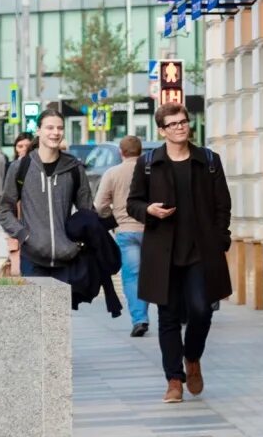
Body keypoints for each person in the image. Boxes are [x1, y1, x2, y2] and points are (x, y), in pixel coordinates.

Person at [127, 104, 231, 402]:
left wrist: (221, 238)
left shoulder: (209, 161)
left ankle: (193, 357)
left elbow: (223, 204)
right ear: (162, 130)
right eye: (172, 124)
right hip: (163, 253)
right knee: (168, 316)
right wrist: (148, 210)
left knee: (201, 309)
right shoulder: (149, 163)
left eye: (183, 122)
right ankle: (174, 379)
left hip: (201, 252)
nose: (180, 128)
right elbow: (133, 203)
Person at [0, 109, 93, 282]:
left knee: (61, 309)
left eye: (60, 128)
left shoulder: (74, 168)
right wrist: (23, 235)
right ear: (38, 131)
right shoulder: (20, 167)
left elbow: (87, 212)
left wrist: (78, 243)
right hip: (32, 258)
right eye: (50, 128)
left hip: (67, 258)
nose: (55, 133)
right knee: (36, 309)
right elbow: (4, 209)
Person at [94, 136, 150, 336]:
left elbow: (99, 206)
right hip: (152, 231)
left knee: (132, 276)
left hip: (126, 231)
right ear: (141, 151)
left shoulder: (112, 173)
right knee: (155, 275)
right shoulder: (149, 171)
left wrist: (114, 216)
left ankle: (139, 319)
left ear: (121, 152)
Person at [2, 134, 34, 276]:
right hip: (18, 221)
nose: (23, 150)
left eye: (27, 146)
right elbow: (7, 200)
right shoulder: (13, 167)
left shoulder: (37, 168)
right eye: (20, 146)